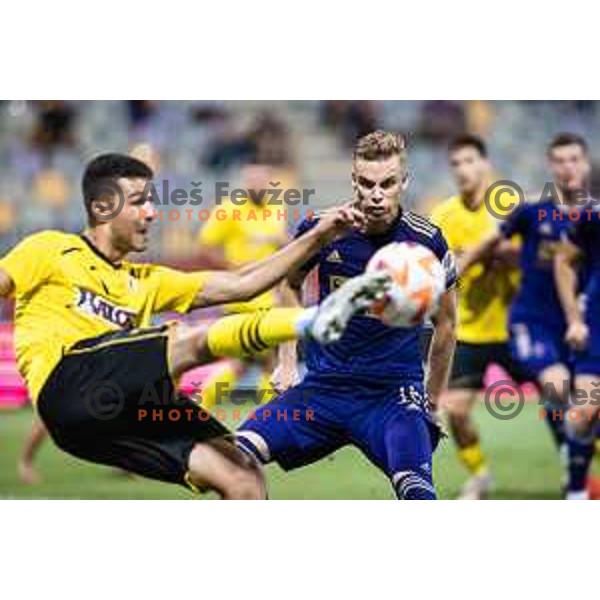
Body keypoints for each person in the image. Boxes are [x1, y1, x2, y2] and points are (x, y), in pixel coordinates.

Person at [0, 153, 390, 500]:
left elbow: (242, 283)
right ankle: (313, 320)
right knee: (186, 338)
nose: (152, 212)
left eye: (151, 200)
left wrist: (320, 234)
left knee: (243, 475)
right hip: (65, 384)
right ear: (102, 207)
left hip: (111, 415)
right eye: (138, 202)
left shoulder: (148, 279)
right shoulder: (48, 248)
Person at [236, 131, 458, 500]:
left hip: (393, 395)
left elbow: (447, 325)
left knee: (418, 492)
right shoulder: (323, 229)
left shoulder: (427, 242)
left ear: (404, 182)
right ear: (353, 181)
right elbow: (288, 285)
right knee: (234, 456)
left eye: (387, 183)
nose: (376, 194)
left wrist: (431, 403)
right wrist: (287, 361)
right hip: (323, 389)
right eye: (367, 183)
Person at [460, 133, 593, 496]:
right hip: (533, 321)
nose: (567, 168)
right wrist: (460, 266)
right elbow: (492, 240)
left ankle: (576, 461)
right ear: (551, 166)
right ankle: (574, 464)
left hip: (579, 322)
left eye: (574, 159)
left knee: (583, 404)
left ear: (585, 164)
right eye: (560, 160)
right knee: (556, 384)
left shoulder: (594, 217)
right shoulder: (533, 211)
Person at [430, 135, 523, 499]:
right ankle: (480, 476)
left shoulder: (509, 204)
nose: (464, 170)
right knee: (455, 410)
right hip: (468, 329)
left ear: (485, 164)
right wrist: (487, 252)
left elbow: (527, 257)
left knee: (561, 398)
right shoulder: (443, 215)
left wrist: (479, 254)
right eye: (456, 163)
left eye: (470, 161)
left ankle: (578, 467)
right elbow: (439, 268)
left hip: (516, 325)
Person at [196, 162, 296, 407]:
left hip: (269, 297)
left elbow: (287, 245)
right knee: (265, 361)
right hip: (241, 298)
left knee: (244, 363)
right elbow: (205, 245)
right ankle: (269, 413)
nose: (257, 186)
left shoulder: (276, 207)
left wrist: (280, 240)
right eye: (252, 181)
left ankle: (200, 406)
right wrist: (233, 269)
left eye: (262, 181)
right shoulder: (230, 209)